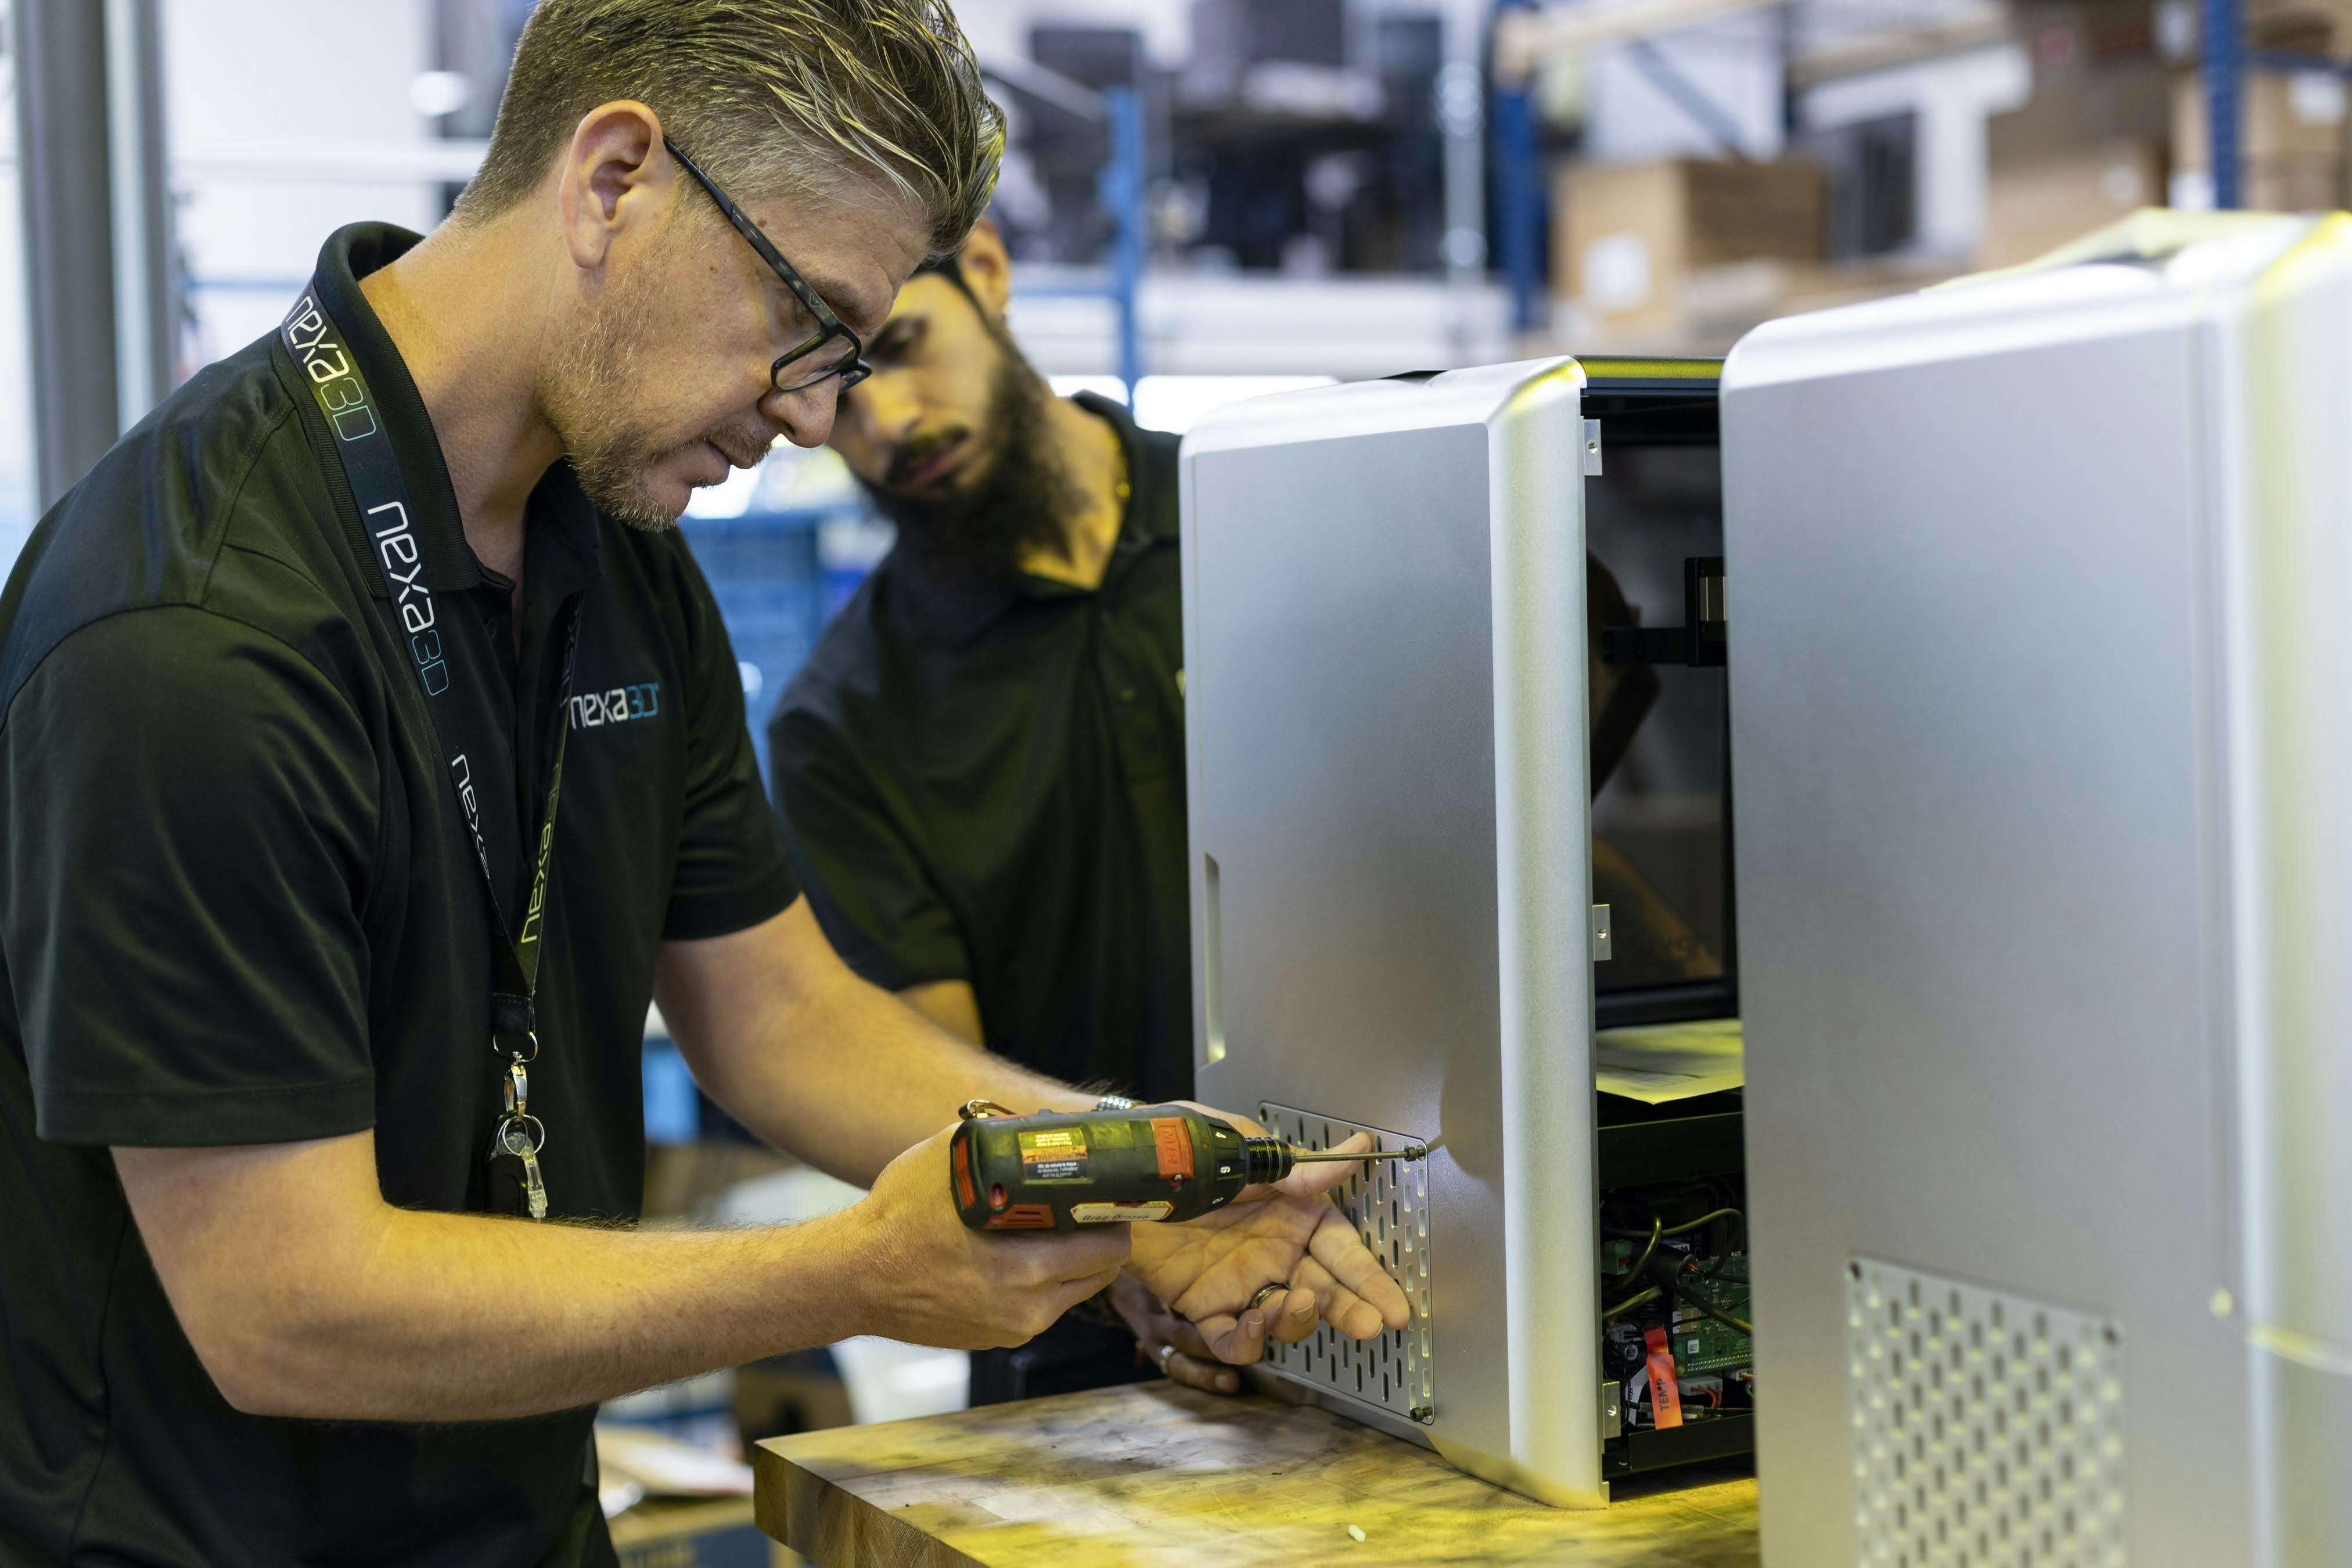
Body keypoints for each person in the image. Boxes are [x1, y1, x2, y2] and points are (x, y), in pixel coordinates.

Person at [0, 4, 1405, 1565]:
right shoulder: (195, 632)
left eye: (854, 349)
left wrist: (1140, 1178)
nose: (815, 411)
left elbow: (779, 1014)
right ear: (613, 180)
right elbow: (281, 1306)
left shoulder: (617, 547)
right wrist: (850, 1273)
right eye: (804, 319)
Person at [766, 221, 1222, 1404]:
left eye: (905, 348)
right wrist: (1141, 1241)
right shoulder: (846, 722)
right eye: (838, 400)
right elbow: (934, 1087)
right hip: (1097, 1343)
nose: (889, 425)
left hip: (1407, 1237)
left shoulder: (1267, 510)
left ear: (986, 270)